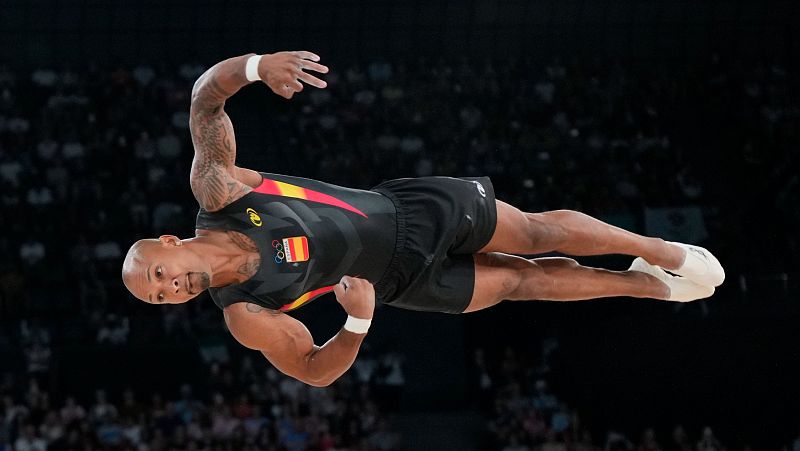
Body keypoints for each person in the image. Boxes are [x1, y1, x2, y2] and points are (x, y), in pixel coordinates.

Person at [121, 51, 725, 387]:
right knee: (521, 281)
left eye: (158, 275)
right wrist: (356, 325)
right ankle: (647, 284)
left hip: (412, 211)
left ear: (169, 241)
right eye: (160, 298)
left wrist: (255, 67)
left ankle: (663, 250)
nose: (170, 290)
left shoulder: (220, 190)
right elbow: (312, 371)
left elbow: (204, 99)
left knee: (538, 233)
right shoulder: (246, 316)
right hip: (401, 284)